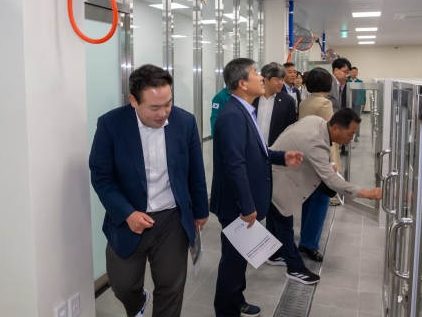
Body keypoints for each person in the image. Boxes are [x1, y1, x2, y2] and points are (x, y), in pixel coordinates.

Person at [89, 64, 209, 317]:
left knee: (170, 286)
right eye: (154, 107)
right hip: (128, 217)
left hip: (171, 218)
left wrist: (200, 211)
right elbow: (101, 177)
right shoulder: (111, 124)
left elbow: (195, 172)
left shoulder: (185, 122)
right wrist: (127, 213)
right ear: (133, 100)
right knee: (122, 284)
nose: (163, 113)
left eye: (168, 104)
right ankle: (138, 302)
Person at [210, 58, 303, 317]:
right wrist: (247, 206)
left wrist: (281, 157)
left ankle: (236, 300)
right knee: (232, 262)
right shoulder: (232, 116)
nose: (261, 77)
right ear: (242, 84)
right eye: (255, 73)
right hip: (236, 205)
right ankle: (226, 311)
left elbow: (255, 152)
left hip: (243, 202)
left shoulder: (245, 110)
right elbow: (235, 165)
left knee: (239, 258)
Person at [267, 109, 382, 275]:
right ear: (335, 128)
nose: (351, 139)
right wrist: (366, 193)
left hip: (272, 172)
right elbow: (332, 181)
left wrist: (329, 162)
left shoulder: (315, 120)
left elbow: (320, 150)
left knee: (275, 218)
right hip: (277, 179)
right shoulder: (315, 142)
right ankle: (295, 269)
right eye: (350, 134)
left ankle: (273, 255)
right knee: (284, 224)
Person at [294, 68, 342, 261]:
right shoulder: (324, 103)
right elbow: (330, 135)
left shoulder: (305, 101)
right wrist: (332, 162)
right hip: (321, 157)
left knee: (309, 198)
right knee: (321, 201)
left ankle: (305, 238)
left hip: (307, 156)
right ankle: (309, 244)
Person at [252, 62, 297, 146]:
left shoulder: (287, 101)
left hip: (276, 148)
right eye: (277, 79)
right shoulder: (253, 98)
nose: (281, 83)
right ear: (266, 79)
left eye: (282, 79)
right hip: (254, 147)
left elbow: (290, 129)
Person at [348, 67, 366, 143]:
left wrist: (363, 102)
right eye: (352, 72)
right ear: (350, 73)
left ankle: (356, 136)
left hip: (357, 103)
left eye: (355, 72)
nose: (354, 73)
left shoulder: (360, 82)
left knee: (356, 119)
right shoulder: (347, 81)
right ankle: (348, 134)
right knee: (348, 119)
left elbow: (363, 93)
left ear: (357, 73)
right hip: (348, 102)